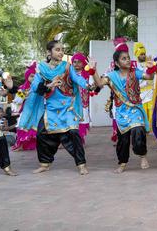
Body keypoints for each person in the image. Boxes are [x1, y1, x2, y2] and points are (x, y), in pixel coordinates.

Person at [17, 40, 98, 175]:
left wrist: (90, 82)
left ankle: (81, 164)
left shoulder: (67, 67)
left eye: (62, 49)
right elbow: (36, 88)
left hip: (68, 108)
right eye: (58, 50)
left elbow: (79, 81)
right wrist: (50, 85)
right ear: (49, 52)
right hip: (50, 110)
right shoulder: (41, 69)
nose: (61, 52)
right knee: (41, 134)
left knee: (73, 133)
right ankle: (44, 164)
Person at [94, 49, 153, 173]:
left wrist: (151, 67)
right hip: (121, 112)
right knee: (123, 140)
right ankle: (122, 163)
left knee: (138, 131)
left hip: (135, 109)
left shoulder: (135, 72)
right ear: (116, 63)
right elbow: (99, 84)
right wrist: (93, 70)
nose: (127, 60)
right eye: (124, 58)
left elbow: (149, 77)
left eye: (128, 58)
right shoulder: (111, 76)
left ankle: (142, 156)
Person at [11, 62, 38, 151]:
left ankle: (33, 144)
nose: (33, 78)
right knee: (22, 126)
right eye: (31, 76)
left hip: (36, 111)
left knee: (35, 128)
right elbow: (17, 101)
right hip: (26, 111)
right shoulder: (22, 88)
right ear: (27, 76)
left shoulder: (39, 87)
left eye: (35, 76)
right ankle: (21, 144)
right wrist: (23, 96)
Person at [134, 42, 155, 133]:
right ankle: (144, 130)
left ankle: (152, 130)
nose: (143, 56)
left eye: (144, 54)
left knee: (151, 112)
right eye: (141, 54)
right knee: (143, 113)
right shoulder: (135, 66)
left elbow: (153, 75)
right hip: (141, 93)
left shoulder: (149, 63)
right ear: (137, 55)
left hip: (150, 92)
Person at [72, 52, 92, 144]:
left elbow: (92, 86)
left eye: (79, 62)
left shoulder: (87, 75)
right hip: (70, 102)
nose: (76, 64)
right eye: (74, 62)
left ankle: (79, 139)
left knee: (81, 121)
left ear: (83, 63)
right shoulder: (68, 74)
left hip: (82, 103)